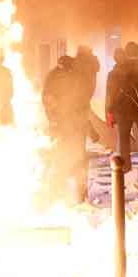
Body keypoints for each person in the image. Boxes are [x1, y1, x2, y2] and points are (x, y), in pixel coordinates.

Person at [42, 56, 89, 203]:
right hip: (70, 124)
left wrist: (53, 119)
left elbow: (47, 99)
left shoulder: (54, 77)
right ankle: (76, 193)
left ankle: (70, 193)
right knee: (72, 157)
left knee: (66, 157)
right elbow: (83, 101)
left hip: (69, 123)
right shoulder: (73, 76)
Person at [107, 42, 138, 188]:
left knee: (123, 143)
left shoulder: (117, 69)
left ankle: (124, 173)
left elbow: (110, 93)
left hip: (122, 111)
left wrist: (109, 112)